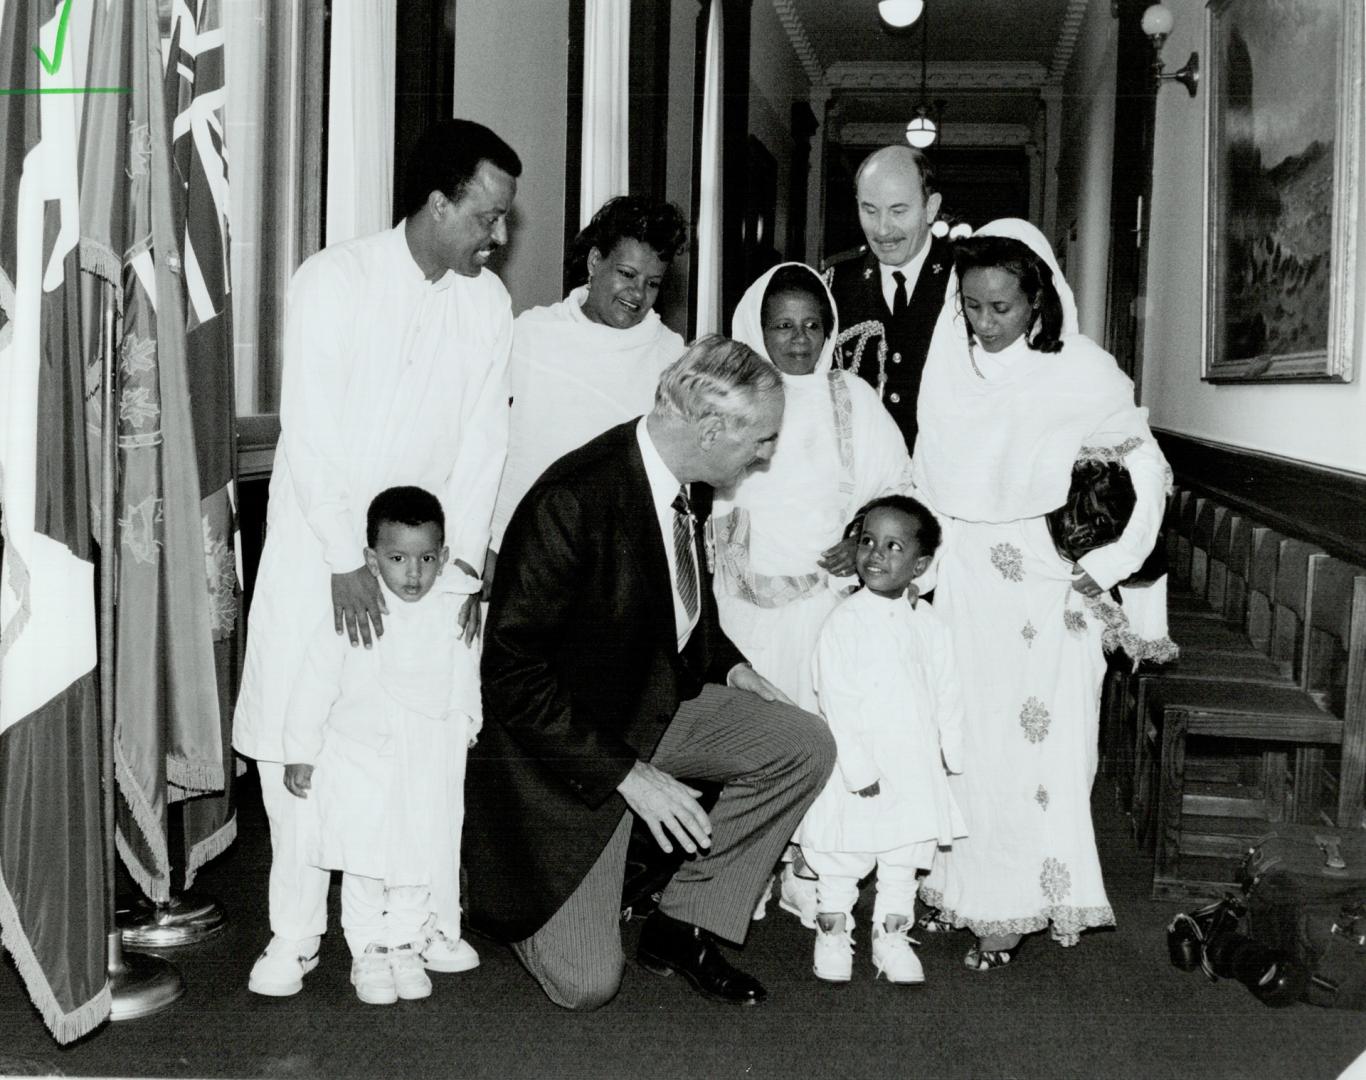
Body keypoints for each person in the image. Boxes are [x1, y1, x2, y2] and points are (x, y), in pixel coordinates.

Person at [234, 118, 520, 997]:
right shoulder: (335, 279)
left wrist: (464, 565)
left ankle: (423, 914)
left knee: (425, 747)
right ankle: (298, 933)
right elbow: (310, 434)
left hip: (430, 572)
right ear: (437, 204)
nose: (498, 236)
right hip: (325, 558)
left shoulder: (487, 305)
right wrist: (341, 559)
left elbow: (484, 443)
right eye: (486, 215)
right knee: (306, 734)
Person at [465, 335, 837, 1011]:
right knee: (587, 985)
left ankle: (680, 922)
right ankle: (508, 896)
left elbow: (682, 613)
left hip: (649, 711)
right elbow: (513, 678)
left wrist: (737, 671)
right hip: (565, 763)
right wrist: (629, 776)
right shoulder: (572, 500)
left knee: (803, 743)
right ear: (712, 427)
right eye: (762, 439)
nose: (766, 454)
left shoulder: (682, 486)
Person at [911, 219, 1168, 970]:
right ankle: (967, 887)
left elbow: (1148, 473)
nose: (985, 324)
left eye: (1002, 308)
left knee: (1045, 747)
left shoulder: (1084, 373)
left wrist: (1109, 564)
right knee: (968, 742)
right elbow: (928, 482)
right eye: (971, 307)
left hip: (1052, 585)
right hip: (965, 578)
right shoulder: (948, 371)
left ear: (1040, 301)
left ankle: (1025, 899)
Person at [715, 262, 914, 924]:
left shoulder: (850, 397)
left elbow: (896, 487)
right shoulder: (733, 393)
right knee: (753, 736)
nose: (798, 341)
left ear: (829, 330)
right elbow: (704, 487)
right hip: (747, 604)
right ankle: (746, 866)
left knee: (827, 734)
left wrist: (861, 538)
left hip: (830, 600)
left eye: (810, 325)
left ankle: (812, 865)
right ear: (756, 327)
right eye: (781, 326)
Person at [282, 487, 481, 1005]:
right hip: (358, 760)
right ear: (371, 560)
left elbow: (464, 674)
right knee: (366, 860)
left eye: (426, 559)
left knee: (417, 855)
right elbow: (314, 683)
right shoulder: (355, 610)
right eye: (397, 559)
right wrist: (300, 749)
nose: (413, 574)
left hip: (423, 760)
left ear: (442, 555)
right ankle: (368, 951)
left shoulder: (451, 607)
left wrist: (462, 727)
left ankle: (405, 944)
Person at [802, 495, 965, 985]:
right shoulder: (843, 622)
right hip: (859, 767)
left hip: (912, 763)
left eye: (893, 546)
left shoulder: (928, 624)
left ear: (919, 564)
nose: (875, 555)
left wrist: (949, 750)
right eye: (868, 541)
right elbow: (837, 700)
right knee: (844, 849)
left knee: (903, 854)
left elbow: (947, 690)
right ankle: (832, 932)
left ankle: (890, 937)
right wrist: (859, 769)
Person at [489, 196, 688, 561]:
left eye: (653, 284)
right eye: (627, 275)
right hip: (520, 546)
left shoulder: (672, 358)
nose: (638, 294)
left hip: (614, 558)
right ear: (596, 262)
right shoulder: (532, 335)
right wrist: (486, 541)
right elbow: (489, 443)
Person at [824, 145, 952, 451]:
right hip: (862, 479)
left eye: (898, 211)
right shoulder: (834, 284)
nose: (882, 229)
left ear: (931, 208)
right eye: (869, 210)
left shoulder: (964, 281)